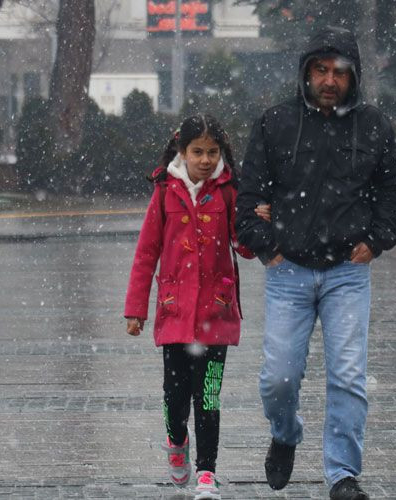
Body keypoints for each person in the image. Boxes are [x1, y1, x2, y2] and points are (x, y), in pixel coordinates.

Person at [235, 26, 396, 500]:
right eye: (321, 70)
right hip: (287, 270)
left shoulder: (374, 126)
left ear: (354, 76)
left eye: (340, 72)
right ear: (306, 72)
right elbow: (249, 197)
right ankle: (286, 433)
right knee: (278, 378)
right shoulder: (275, 124)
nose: (330, 80)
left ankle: (342, 474)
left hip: (348, 273)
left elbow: (394, 193)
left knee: (348, 375)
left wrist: (378, 239)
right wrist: (266, 244)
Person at [124, 114, 255, 499]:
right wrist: (136, 309)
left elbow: (243, 248)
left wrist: (258, 223)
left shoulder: (229, 191)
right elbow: (146, 253)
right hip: (175, 314)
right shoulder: (166, 191)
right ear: (182, 152)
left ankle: (207, 472)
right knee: (175, 394)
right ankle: (177, 441)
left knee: (209, 395)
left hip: (216, 314)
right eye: (197, 151)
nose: (205, 159)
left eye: (212, 152)